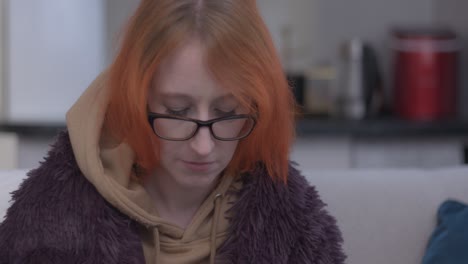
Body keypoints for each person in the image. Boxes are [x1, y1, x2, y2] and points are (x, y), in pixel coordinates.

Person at [0, 0, 346, 263]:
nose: (203, 146)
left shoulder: (297, 230)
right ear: (137, 98)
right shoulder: (48, 223)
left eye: (227, 112)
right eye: (177, 110)